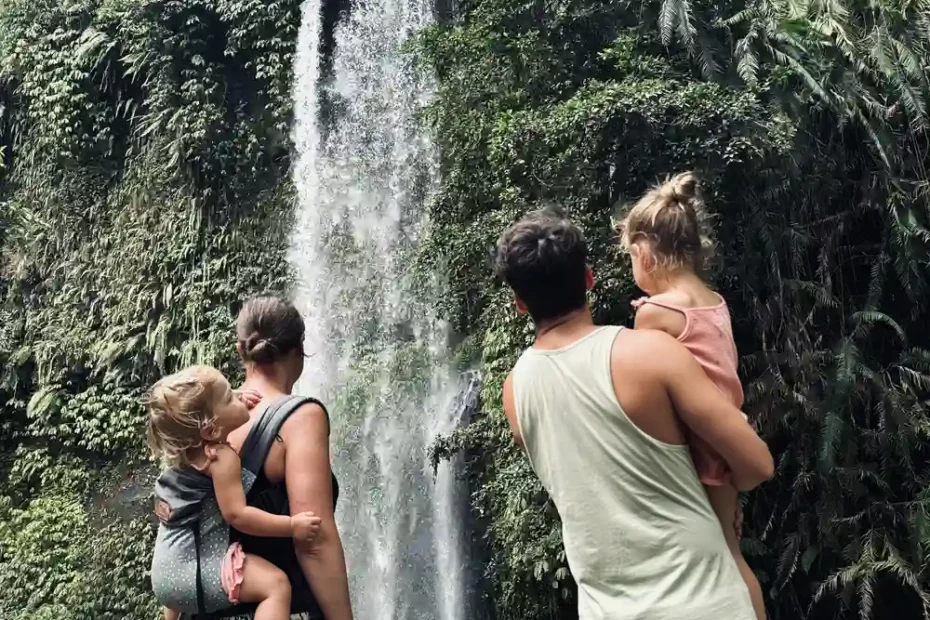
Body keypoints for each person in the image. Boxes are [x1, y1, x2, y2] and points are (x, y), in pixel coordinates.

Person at [494, 209, 774, 620]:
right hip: (706, 602)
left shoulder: (514, 391)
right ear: (589, 278)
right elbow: (757, 464)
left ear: (520, 304)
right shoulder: (651, 354)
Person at [617, 172, 766, 620]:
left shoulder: (656, 314)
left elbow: (640, 381)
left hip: (698, 447)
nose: (631, 267)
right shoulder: (712, 300)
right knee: (732, 550)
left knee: (720, 557)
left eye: (629, 257)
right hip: (726, 437)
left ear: (644, 252)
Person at [147, 365, 321, 620]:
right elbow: (238, 515)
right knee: (276, 586)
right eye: (230, 397)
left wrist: (234, 399)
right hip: (191, 576)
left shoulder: (182, 453)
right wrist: (292, 525)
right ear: (211, 431)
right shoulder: (221, 459)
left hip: (165, 576)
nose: (239, 396)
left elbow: (209, 413)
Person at [223, 296, 354, 620]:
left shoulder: (208, 417)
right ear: (299, 351)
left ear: (242, 351)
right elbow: (314, 542)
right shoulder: (301, 417)